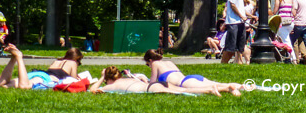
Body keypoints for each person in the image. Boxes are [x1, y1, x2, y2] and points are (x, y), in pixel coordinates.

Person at [143, 49, 241, 96]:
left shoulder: (155, 64)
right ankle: (243, 86)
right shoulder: (169, 62)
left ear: (150, 60)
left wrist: (142, 80)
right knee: (216, 83)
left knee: (211, 88)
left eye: (148, 64)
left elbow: (152, 84)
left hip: (183, 83)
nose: (149, 66)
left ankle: (228, 89)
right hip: (191, 78)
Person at [90, 66, 221, 96]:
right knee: (183, 90)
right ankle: (213, 89)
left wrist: (102, 77)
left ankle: (209, 90)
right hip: (153, 84)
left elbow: (92, 90)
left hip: (151, 88)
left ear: (108, 79)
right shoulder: (123, 79)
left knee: (183, 92)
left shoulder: (112, 87)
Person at [0, 44, 73, 89]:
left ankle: (13, 58)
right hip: (44, 77)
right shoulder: (73, 62)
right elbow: (74, 79)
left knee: (2, 86)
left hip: (35, 73)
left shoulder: (57, 61)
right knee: (24, 86)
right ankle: (19, 57)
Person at [222, 0, 249, 64]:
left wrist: (249, 16)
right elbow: (232, 5)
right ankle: (223, 64)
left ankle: (239, 63)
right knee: (230, 47)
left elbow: (240, 8)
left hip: (240, 22)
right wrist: (241, 16)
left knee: (240, 46)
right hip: (233, 22)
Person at [273, 0, 297, 64]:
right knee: (285, 39)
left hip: (282, 23)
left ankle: (293, 58)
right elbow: (293, 12)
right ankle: (287, 58)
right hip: (290, 22)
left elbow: (275, 11)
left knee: (286, 41)